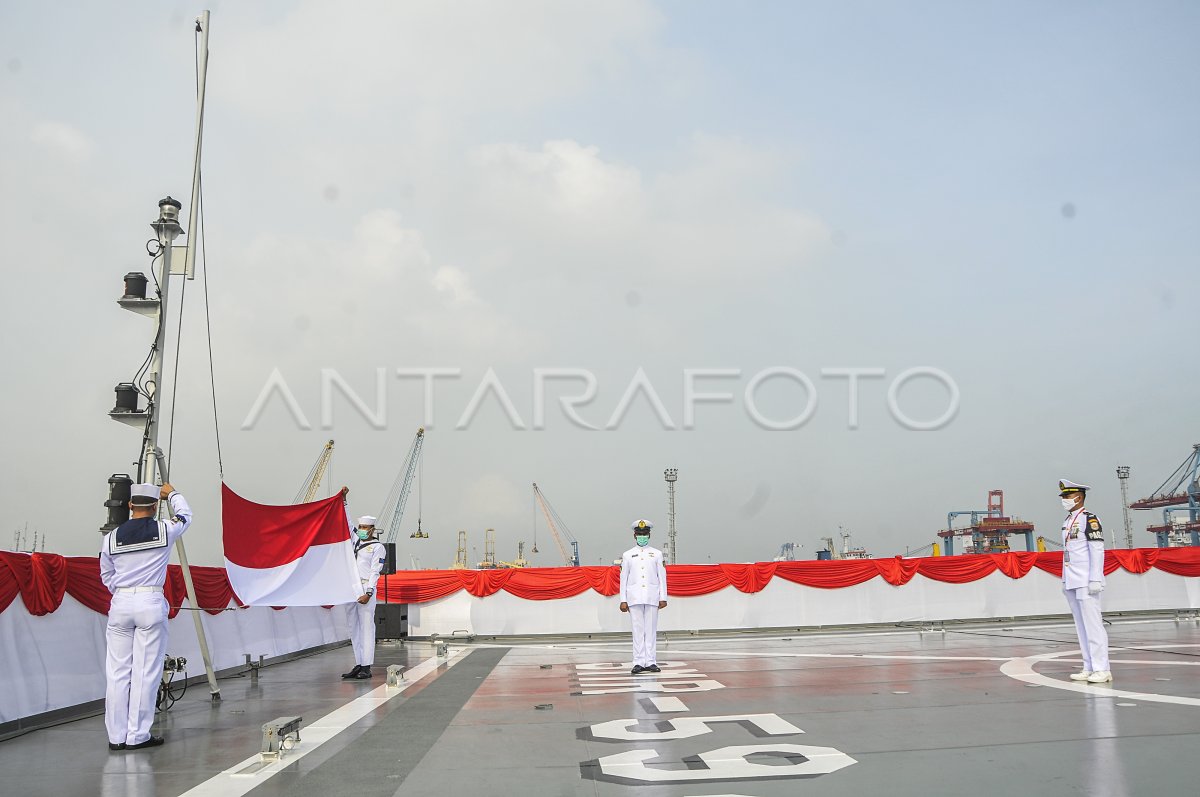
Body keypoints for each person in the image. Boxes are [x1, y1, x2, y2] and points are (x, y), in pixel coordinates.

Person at [99, 482, 192, 751]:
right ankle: (137, 735)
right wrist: (173, 493)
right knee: (145, 672)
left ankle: (116, 737)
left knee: (117, 673)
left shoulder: (111, 538)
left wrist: (122, 592)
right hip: (150, 602)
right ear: (154, 507)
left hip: (121, 603)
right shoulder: (164, 529)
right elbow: (187, 515)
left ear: (130, 506)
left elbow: (106, 574)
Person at [1059, 478, 1111, 683]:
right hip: (1072, 579)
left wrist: (1095, 578)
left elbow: (1096, 549)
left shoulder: (1089, 519)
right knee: (1081, 627)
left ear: (1078, 497)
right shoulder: (1068, 520)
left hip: (1086, 579)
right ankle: (1089, 666)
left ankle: (1102, 668)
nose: (1064, 499)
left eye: (1067, 496)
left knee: (1093, 625)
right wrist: (1065, 580)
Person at [619, 519, 668, 675]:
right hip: (634, 598)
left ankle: (651, 661)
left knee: (651, 630)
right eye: (639, 534)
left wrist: (663, 597)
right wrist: (623, 600)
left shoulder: (657, 554)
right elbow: (623, 578)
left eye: (645, 534)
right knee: (637, 630)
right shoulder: (627, 555)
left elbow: (662, 576)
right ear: (635, 535)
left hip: (652, 596)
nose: (642, 536)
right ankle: (639, 662)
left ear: (649, 534)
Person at [342, 514, 386, 680]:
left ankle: (366, 666)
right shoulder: (356, 539)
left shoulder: (378, 547)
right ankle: (359, 663)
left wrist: (369, 592)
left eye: (365, 528)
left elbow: (376, 571)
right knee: (353, 627)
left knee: (366, 628)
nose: (361, 530)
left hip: (366, 587)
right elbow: (347, 522)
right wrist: (344, 501)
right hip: (351, 588)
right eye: (360, 527)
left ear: (372, 529)